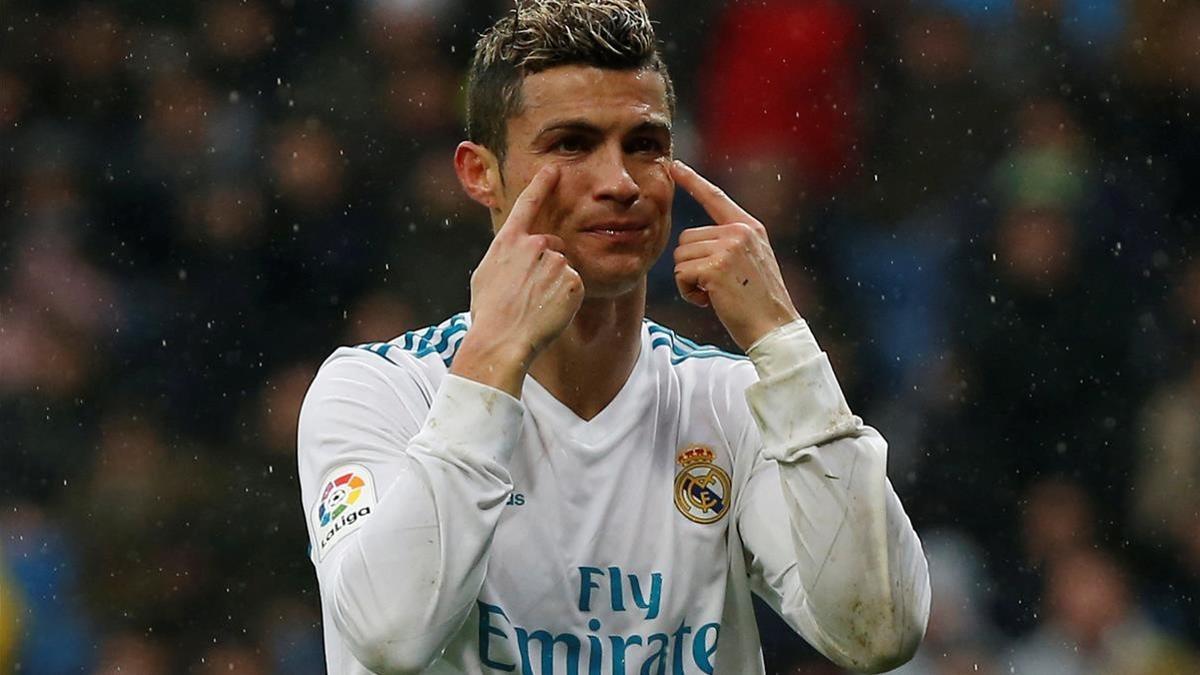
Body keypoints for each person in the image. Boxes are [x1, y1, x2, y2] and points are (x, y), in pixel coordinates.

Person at [296, 1, 930, 673]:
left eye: (645, 145)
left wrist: (785, 343)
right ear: (481, 173)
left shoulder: (732, 401)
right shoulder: (376, 391)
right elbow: (389, 636)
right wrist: (488, 364)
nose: (620, 183)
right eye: (571, 144)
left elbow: (879, 631)